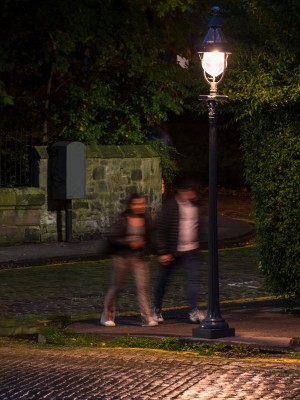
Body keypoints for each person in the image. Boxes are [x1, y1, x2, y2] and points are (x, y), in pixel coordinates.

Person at [152, 177, 206, 324]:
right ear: (183, 191)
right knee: (163, 281)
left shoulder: (195, 205)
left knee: (192, 280)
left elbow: (198, 225)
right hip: (171, 251)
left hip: (190, 250)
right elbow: (160, 230)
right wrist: (162, 252)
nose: (194, 194)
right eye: (191, 191)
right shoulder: (170, 206)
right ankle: (156, 309)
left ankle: (194, 311)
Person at [101, 193, 158, 327]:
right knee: (117, 286)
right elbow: (113, 237)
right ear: (130, 205)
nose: (140, 207)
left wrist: (151, 249)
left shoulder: (146, 219)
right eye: (136, 204)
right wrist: (129, 243)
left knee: (142, 287)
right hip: (122, 255)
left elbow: (151, 236)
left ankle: (147, 317)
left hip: (139, 257)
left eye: (142, 204)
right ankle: (106, 315)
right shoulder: (123, 219)